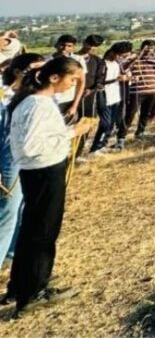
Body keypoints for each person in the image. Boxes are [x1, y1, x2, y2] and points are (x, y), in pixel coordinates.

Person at [7, 56, 90, 315]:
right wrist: (72, 133)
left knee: (33, 229)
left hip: (38, 171)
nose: (72, 85)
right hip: (43, 171)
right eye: (71, 79)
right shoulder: (38, 105)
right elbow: (30, 145)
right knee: (43, 232)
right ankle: (33, 292)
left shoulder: (31, 101)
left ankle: (21, 284)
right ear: (54, 77)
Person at [0, 53, 45, 272]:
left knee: (22, 209)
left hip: (25, 159)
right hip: (9, 161)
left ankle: (12, 252)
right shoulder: (5, 95)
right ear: (19, 72)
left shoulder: (31, 96)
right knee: (7, 213)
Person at [91, 44, 130, 153]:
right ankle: (95, 148)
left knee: (111, 124)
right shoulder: (102, 64)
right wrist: (117, 79)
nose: (121, 58)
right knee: (105, 123)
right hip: (104, 97)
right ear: (112, 52)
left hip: (115, 97)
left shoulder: (117, 64)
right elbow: (99, 83)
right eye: (120, 55)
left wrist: (125, 78)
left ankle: (103, 144)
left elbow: (120, 77)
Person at [123, 40, 155, 139]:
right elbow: (125, 67)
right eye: (147, 47)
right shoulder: (135, 58)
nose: (149, 50)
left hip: (151, 91)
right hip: (136, 91)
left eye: (151, 48)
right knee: (130, 114)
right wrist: (139, 54)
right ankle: (121, 136)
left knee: (145, 114)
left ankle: (140, 133)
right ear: (142, 47)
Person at [51, 35, 86, 122]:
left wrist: (74, 105)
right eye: (62, 45)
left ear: (73, 48)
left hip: (67, 100)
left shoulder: (78, 60)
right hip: (50, 100)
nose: (65, 48)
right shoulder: (48, 60)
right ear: (56, 45)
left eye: (69, 46)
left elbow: (81, 83)